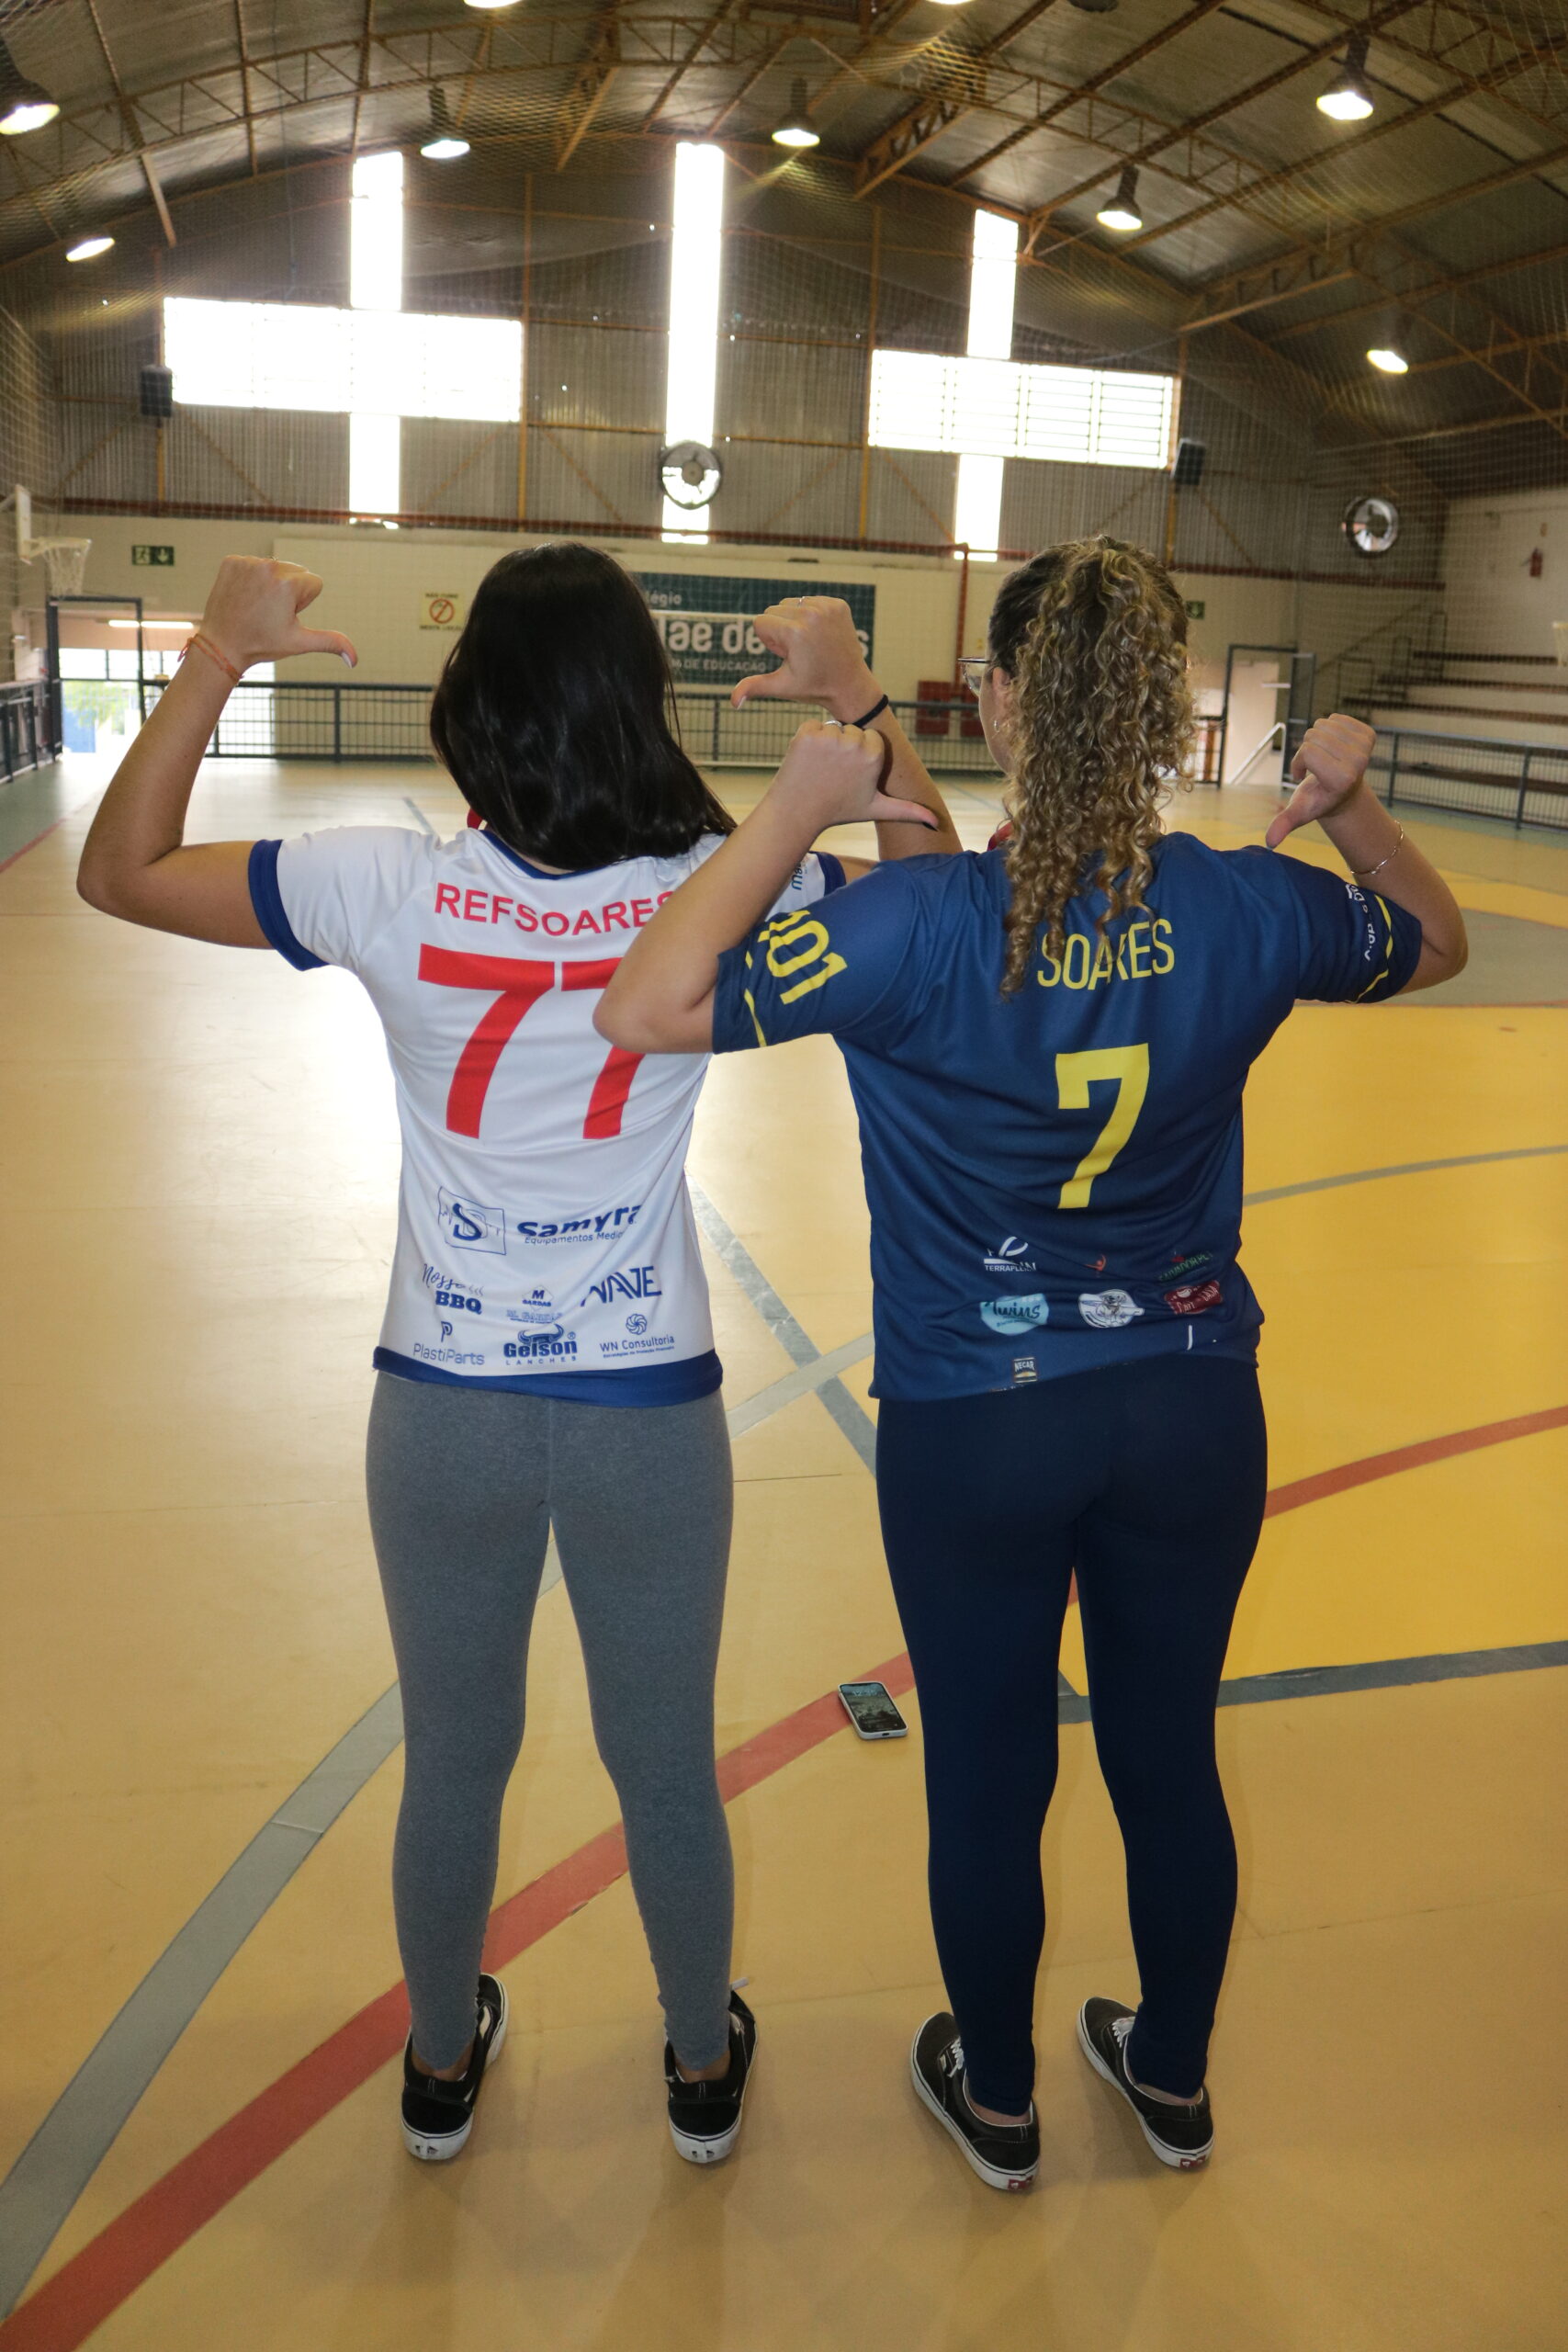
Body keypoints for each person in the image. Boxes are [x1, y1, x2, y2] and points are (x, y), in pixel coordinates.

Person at [597, 537, 1468, 2193]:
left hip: (977, 1420)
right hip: (1192, 1401)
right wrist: (1350, 802)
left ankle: (997, 2100)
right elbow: (1432, 943)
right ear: (1161, 718)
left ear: (998, 702)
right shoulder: (1248, 904)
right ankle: (1173, 2078)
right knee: (1168, 1755)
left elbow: (651, 1002)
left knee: (991, 1777)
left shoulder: (911, 925)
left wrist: (802, 796)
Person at [74, 545, 945, 2170]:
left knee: (453, 1762)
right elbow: (935, 897)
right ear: (644, 704)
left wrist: (216, 655)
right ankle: (700, 2068)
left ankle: (437, 2066)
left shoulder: (379, 885)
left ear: (473, 704)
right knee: (665, 1766)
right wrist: (856, 702)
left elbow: (121, 872)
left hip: (443, 1407)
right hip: (647, 1409)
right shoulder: (726, 881)